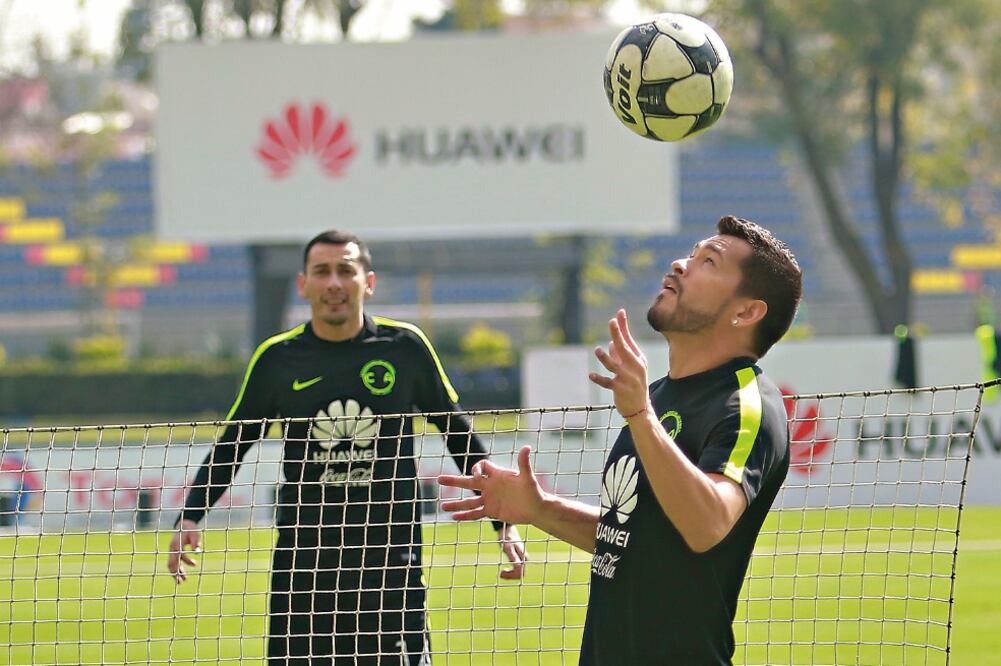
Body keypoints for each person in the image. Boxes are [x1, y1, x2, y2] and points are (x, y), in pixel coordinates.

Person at [439, 215, 802, 665]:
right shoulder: (657, 396)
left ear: (746, 311)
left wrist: (639, 415)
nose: (680, 264)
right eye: (691, 253)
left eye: (708, 261)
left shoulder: (748, 404)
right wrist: (540, 508)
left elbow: (708, 523)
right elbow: (633, 537)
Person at [167, 230, 526, 665]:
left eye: (345, 270)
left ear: (367, 282)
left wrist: (503, 521)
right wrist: (191, 513)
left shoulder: (405, 348)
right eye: (322, 271)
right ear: (304, 284)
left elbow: (459, 435)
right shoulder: (277, 359)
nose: (334, 282)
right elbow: (234, 445)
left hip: (390, 563)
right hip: (305, 564)